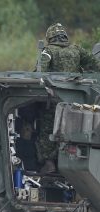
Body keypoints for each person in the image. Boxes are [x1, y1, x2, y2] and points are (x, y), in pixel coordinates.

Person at [37, 23, 99, 173]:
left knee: (48, 128)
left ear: (50, 37)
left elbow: (40, 71)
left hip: (54, 99)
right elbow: (95, 65)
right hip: (78, 99)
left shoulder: (48, 51)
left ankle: (49, 162)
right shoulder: (77, 50)